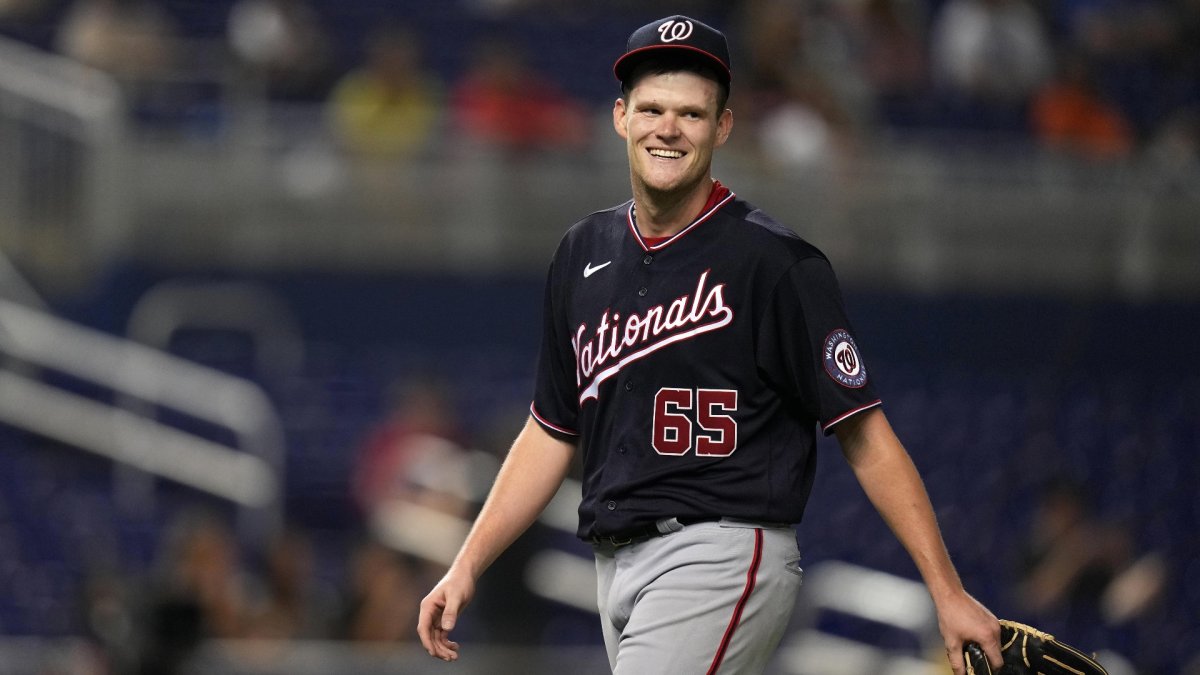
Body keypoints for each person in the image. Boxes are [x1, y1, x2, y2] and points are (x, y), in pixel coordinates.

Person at [418, 15, 1003, 675]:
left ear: (723, 126)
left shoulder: (775, 263)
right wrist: (466, 563)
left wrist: (945, 590)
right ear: (621, 117)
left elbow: (864, 432)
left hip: (723, 551)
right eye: (653, 109)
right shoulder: (581, 251)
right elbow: (551, 430)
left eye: (692, 114)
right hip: (617, 563)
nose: (669, 127)